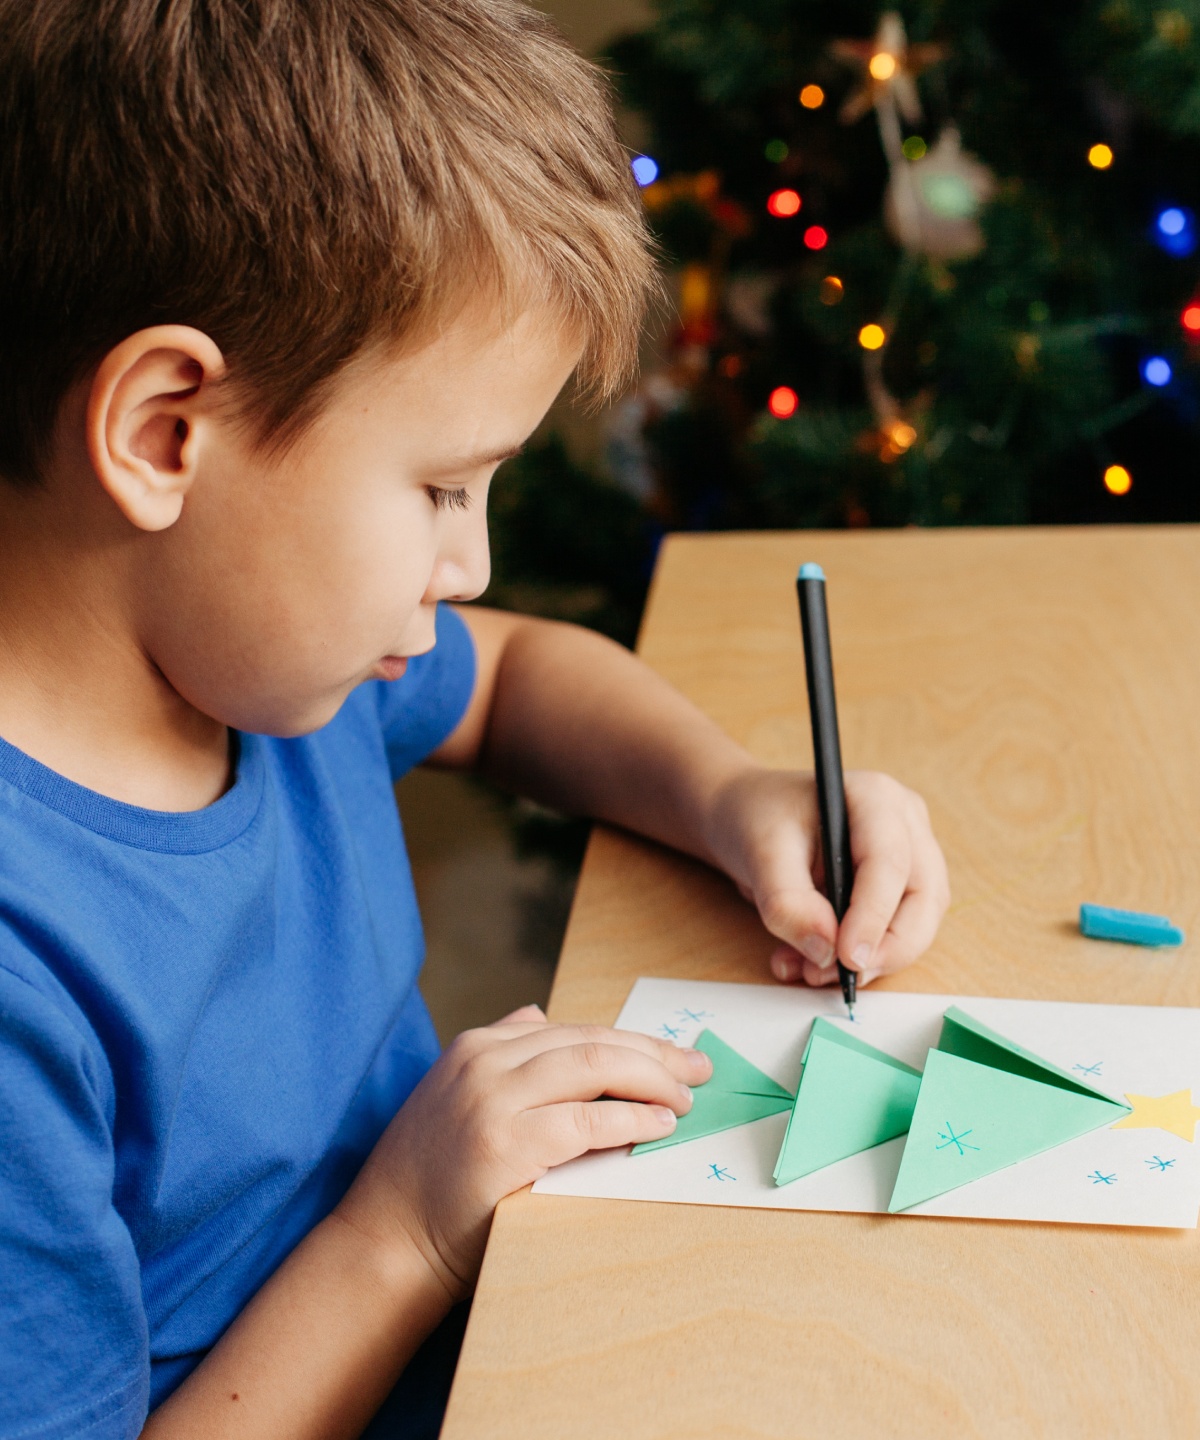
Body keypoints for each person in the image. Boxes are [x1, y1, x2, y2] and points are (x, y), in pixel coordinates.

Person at [0, 2, 951, 1435]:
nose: (472, 565)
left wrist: (729, 796)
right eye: (444, 488)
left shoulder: (253, 653)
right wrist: (406, 1236)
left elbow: (507, 680)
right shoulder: (25, 963)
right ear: (162, 434)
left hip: (509, 1314)